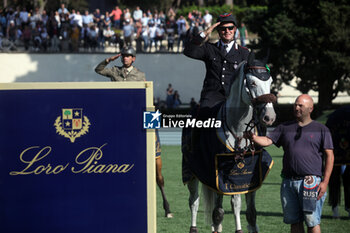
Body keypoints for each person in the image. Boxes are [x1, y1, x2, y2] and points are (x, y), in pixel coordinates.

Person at [250, 94, 334, 233]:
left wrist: (325, 182)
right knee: (294, 222)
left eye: (300, 105)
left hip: (311, 182)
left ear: (310, 108)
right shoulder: (284, 127)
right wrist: (253, 137)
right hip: (288, 183)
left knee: (312, 222)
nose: (296, 107)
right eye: (295, 104)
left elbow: (330, 156)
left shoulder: (321, 129)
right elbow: (267, 141)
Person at [183, 13, 249, 119]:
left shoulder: (244, 53)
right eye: (223, 29)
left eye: (230, 28)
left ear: (235, 29)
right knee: (202, 118)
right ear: (218, 30)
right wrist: (204, 33)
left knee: (255, 117)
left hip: (235, 96)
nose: (227, 31)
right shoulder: (209, 48)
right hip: (212, 95)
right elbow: (188, 51)